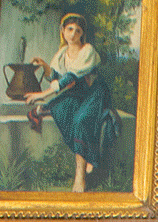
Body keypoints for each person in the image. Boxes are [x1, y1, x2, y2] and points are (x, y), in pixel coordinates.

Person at [24, 13, 118, 192]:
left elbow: (70, 77)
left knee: (80, 119)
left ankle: (80, 176)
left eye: (78, 30)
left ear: (82, 34)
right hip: (77, 92)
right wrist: (44, 65)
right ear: (63, 31)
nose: (74, 34)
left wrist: (43, 94)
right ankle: (89, 156)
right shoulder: (62, 53)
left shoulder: (87, 50)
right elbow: (55, 77)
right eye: (70, 29)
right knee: (60, 109)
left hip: (94, 92)